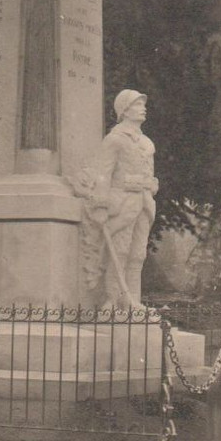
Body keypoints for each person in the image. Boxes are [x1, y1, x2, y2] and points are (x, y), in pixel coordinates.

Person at [73, 90, 158, 308]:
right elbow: (103, 174)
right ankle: (114, 299)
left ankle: (133, 301)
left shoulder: (147, 143)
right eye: (138, 105)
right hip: (122, 203)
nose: (143, 108)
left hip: (145, 203)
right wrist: (100, 205)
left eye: (142, 104)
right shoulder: (115, 140)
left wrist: (151, 184)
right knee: (119, 252)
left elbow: (149, 174)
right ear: (125, 111)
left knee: (138, 254)